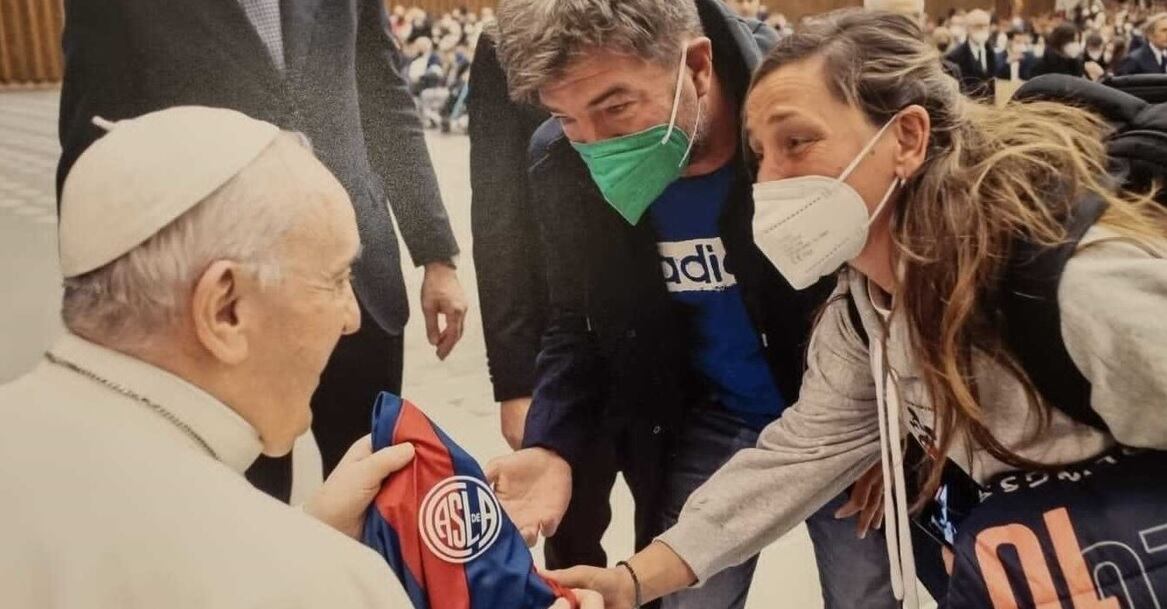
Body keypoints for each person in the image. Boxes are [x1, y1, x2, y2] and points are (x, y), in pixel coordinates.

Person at [542, 9, 1167, 608]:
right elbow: (796, 458)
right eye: (762, 155)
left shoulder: (1078, 288)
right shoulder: (865, 313)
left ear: (907, 139)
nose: (772, 182)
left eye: (798, 142)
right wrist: (631, 580)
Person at [486, 1, 898, 608]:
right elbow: (578, 320)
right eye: (566, 118)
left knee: (866, 587)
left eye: (616, 107)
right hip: (707, 417)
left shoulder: (801, 122)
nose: (596, 146)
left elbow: (887, 284)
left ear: (698, 66)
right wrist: (552, 444)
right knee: (682, 588)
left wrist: (892, 434)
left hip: (840, 418)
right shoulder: (561, 163)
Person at [0, 106, 420, 608]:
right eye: (334, 280)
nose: (351, 317)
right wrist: (299, 550)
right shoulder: (328, 587)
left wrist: (303, 528)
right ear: (225, 309)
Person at [56, 0, 468, 504]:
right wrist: (103, 313)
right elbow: (93, 142)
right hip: (217, 300)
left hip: (356, 279)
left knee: (376, 485)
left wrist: (435, 255)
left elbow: (384, 98)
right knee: (242, 500)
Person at [946, 9, 999, 99]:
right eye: (977, 26)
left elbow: (991, 83)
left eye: (985, 25)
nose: (982, 29)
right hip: (967, 106)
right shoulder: (955, 56)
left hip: (988, 107)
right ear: (967, 28)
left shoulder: (990, 51)